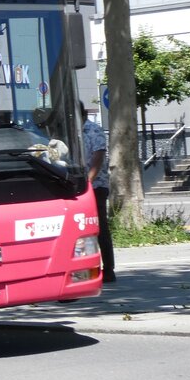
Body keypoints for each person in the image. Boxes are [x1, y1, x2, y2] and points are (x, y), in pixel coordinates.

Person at [80, 101, 116, 283]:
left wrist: (89, 181)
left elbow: (98, 157)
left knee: (100, 227)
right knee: (81, 229)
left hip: (96, 186)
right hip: (76, 186)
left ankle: (108, 268)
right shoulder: (71, 132)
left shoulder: (94, 130)